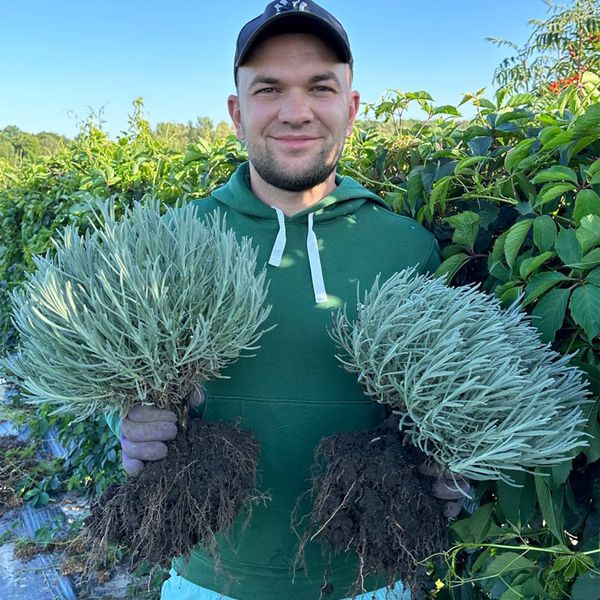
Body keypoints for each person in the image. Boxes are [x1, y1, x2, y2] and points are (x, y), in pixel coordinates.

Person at [118, 2, 468, 599]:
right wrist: (127, 426)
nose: (296, 111)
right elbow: (117, 378)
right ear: (236, 111)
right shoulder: (171, 241)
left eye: (320, 87)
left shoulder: (406, 247)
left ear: (351, 108)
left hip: (370, 581)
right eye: (269, 88)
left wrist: (453, 459)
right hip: (208, 579)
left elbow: (442, 401)